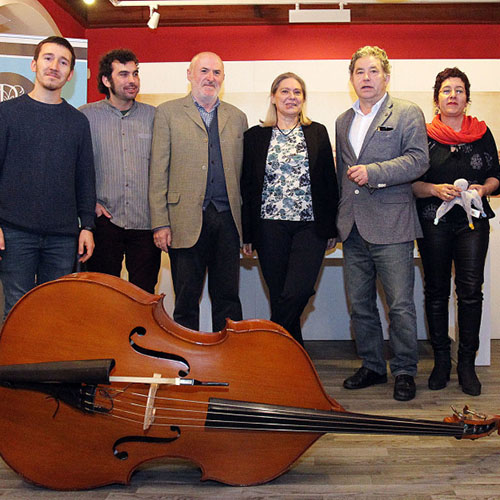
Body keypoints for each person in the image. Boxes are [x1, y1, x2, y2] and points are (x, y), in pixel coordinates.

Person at [336, 46, 429, 401]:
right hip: (353, 227)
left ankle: (404, 370)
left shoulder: (406, 112)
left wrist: (374, 173)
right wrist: (337, 223)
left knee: (400, 305)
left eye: (373, 71)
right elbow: (341, 176)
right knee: (360, 304)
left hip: (393, 225)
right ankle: (373, 365)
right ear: (352, 79)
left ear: (386, 77)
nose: (366, 78)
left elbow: (418, 160)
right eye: (360, 72)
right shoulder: (343, 121)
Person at [413, 67, 500, 396]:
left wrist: (483, 187)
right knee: (435, 291)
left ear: (467, 97)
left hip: (472, 223)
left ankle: (466, 364)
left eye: (459, 90)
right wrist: (435, 190)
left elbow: (496, 175)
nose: (453, 95)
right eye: (446, 90)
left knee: (470, 292)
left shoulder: (482, 132)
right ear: (437, 98)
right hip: (432, 221)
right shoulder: (422, 134)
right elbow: (411, 184)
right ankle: (441, 362)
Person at [149, 51, 248, 332]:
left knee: (228, 299)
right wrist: (160, 222)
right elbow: (158, 171)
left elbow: (245, 176)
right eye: (204, 71)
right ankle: (187, 365)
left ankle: (228, 362)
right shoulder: (167, 113)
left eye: (216, 73)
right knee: (186, 300)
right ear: (190, 74)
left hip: (228, 221)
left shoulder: (237, 117)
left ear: (223, 79)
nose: (210, 78)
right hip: (183, 221)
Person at [0, 36, 96, 319]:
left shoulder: (78, 122)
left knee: (55, 313)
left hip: (63, 238)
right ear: (33, 64)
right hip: (14, 233)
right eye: (48, 58)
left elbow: (85, 178)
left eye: (63, 62)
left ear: (70, 74)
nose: (55, 66)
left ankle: (48, 366)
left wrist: (87, 226)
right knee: (16, 312)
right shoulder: (6, 114)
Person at [241, 72, 338, 346]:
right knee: (280, 291)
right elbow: (246, 187)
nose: (291, 97)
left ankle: (271, 340)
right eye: (284, 91)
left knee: (299, 290)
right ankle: (292, 356)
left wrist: (332, 227)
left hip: (310, 225)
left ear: (303, 99)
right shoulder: (255, 136)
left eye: (297, 92)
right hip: (269, 226)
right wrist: (247, 234)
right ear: (273, 97)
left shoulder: (317, 131)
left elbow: (328, 182)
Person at [80, 49, 161, 294]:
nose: (132, 80)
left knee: (144, 296)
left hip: (145, 222)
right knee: (102, 294)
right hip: (104, 221)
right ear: (106, 80)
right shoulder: (85, 116)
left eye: (135, 73)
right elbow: (75, 168)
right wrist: (89, 202)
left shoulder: (155, 117)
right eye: (123, 74)